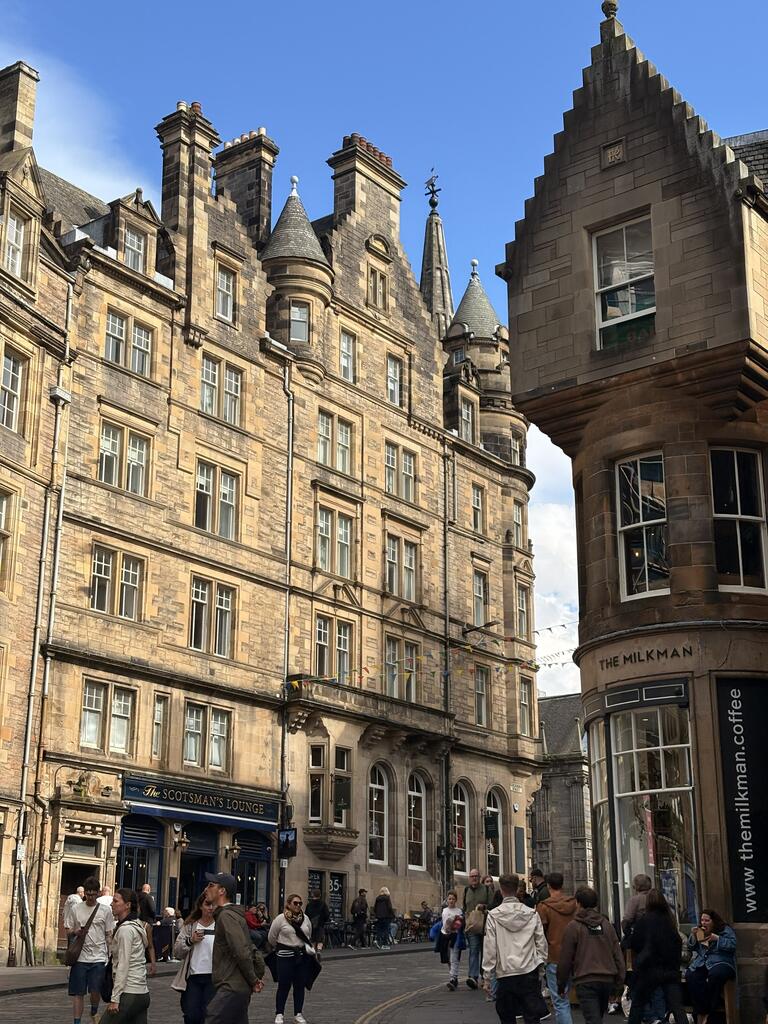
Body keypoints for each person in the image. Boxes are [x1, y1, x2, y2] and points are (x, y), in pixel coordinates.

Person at [482, 872, 548, 1024]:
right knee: (532, 1018)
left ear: (501, 890)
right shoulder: (531, 914)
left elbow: (490, 948)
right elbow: (541, 944)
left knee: (507, 1018)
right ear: (517, 889)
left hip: (505, 974)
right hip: (528, 971)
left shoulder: (493, 916)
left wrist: (487, 977)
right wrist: (541, 967)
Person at [203, 871, 265, 1024]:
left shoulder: (226, 916)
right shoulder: (230, 914)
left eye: (211, 885)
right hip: (237, 986)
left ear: (222, 891)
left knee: (212, 1018)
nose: (206, 889)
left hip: (232, 986)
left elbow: (241, 950)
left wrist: (253, 980)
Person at [557, 886, 625, 1024]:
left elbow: (565, 959)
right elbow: (617, 955)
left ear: (578, 903)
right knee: (596, 1018)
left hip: (585, 979)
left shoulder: (573, 927)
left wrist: (561, 984)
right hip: (607, 979)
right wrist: (619, 983)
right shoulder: (606, 925)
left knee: (593, 1019)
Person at [626, 889, 687, 1024]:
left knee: (638, 1004)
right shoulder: (669, 921)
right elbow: (677, 943)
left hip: (649, 969)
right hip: (669, 970)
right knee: (677, 1007)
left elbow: (635, 943)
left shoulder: (644, 920)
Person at [64, 875, 114, 1024]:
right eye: (88, 894)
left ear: (98, 893)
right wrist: (75, 931)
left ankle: (94, 1009)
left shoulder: (105, 910)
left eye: (93, 894)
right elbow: (68, 929)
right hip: (80, 957)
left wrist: (111, 954)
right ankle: (77, 1021)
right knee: (78, 993)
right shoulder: (76, 908)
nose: (90, 897)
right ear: (84, 893)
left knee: (95, 990)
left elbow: (108, 934)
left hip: (99, 957)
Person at [620, 874, 664, 1023]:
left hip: (641, 946)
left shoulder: (635, 900)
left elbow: (626, 920)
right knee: (657, 983)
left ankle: (649, 1015)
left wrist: (628, 935)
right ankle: (660, 1015)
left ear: (635, 886)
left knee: (639, 982)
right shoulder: (658, 899)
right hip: (659, 944)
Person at [537, 871, 578, 1024]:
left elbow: (540, 933)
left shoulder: (544, 907)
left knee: (561, 1001)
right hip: (575, 955)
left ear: (548, 886)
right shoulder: (574, 904)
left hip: (554, 955)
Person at [267, 892, 314, 1024]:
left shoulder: (306, 919)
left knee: (299, 986)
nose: (298, 905)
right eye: (295, 903)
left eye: (300, 903)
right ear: (288, 904)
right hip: (285, 956)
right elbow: (271, 937)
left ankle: (298, 1014)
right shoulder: (280, 919)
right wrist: (284, 946)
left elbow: (308, 934)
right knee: (284, 985)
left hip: (301, 956)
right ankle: (279, 1014)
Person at [106, 887, 150, 1024]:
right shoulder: (136, 926)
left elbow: (123, 965)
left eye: (115, 901)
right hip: (142, 993)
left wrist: (115, 998)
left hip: (129, 992)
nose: (112, 904)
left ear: (127, 905)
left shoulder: (126, 930)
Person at [684, 909, 737, 1024]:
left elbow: (732, 945)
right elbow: (692, 947)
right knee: (691, 975)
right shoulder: (700, 931)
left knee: (716, 974)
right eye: (702, 920)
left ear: (713, 921)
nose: (703, 923)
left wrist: (717, 938)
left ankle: (711, 1012)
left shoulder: (724, 929)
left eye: (707, 920)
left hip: (721, 961)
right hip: (703, 961)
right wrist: (693, 936)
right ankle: (702, 1011)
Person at [172, 893, 217, 1024]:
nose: (211, 908)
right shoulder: (191, 926)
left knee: (209, 1015)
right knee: (191, 1015)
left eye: (213, 905)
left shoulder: (220, 925)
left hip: (214, 977)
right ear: (200, 906)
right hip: (193, 977)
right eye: (207, 904)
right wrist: (190, 941)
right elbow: (177, 952)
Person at [463, 868, 494, 989]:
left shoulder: (486, 890)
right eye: (472, 876)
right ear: (469, 878)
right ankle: (473, 977)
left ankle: (484, 975)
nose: (474, 878)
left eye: (476, 876)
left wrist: (484, 906)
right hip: (471, 927)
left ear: (479, 877)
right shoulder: (466, 890)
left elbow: (493, 906)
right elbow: (465, 907)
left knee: (485, 952)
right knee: (473, 950)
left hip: (485, 926)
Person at [439, 905, 467, 991]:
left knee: (454, 957)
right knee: (447, 958)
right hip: (445, 935)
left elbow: (461, 924)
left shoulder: (459, 911)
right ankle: (454, 976)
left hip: (456, 935)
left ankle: (453, 978)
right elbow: (442, 923)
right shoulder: (444, 910)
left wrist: (456, 925)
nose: (451, 900)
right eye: (450, 899)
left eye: (453, 899)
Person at [305, 889, 330, 954]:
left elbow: (306, 915)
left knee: (312, 939)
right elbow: (327, 914)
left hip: (311, 925)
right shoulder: (323, 904)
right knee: (320, 939)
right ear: (320, 895)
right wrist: (325, 920)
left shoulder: (309, 904)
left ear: (312, 895)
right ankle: (319, 950)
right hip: (320, 924)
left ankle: (313, 951)